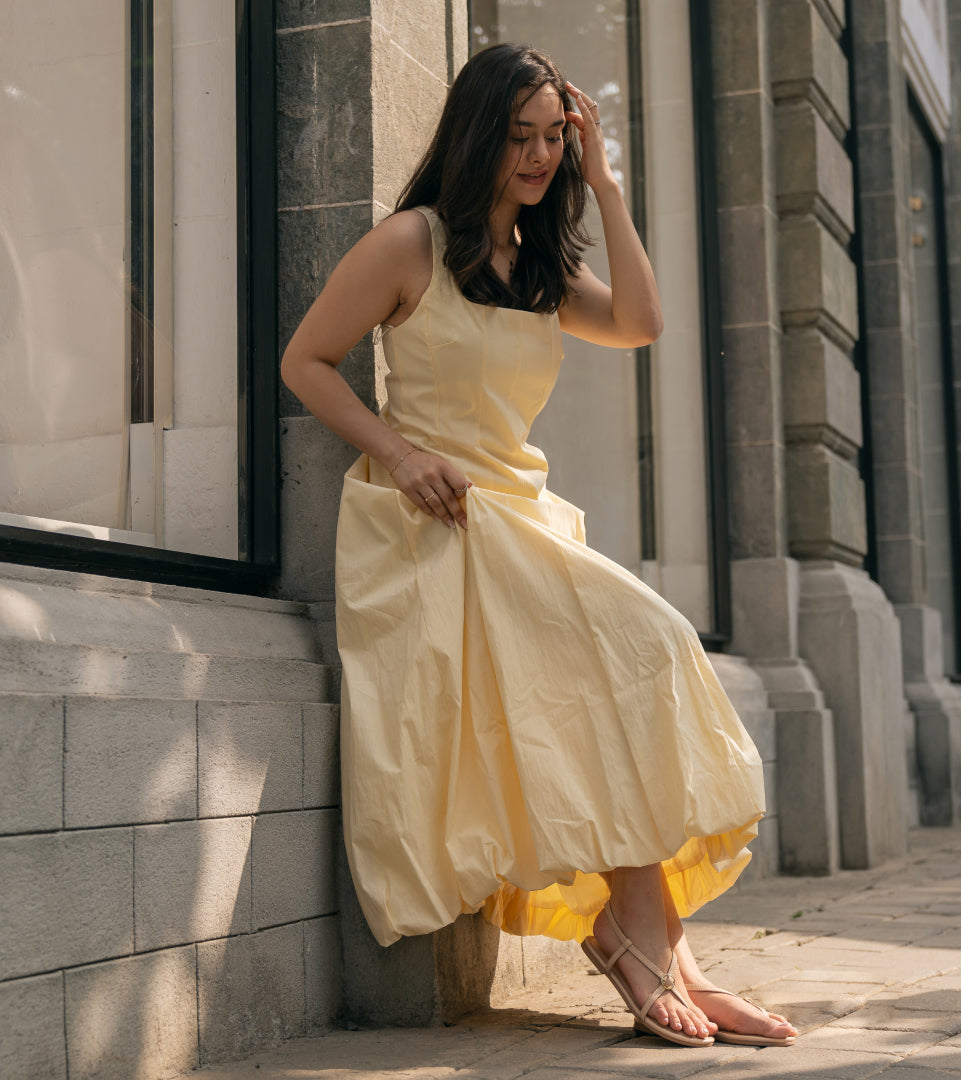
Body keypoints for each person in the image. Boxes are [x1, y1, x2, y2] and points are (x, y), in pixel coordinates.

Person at [281, 42, 797, 1050]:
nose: (537, 155)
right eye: (518, 137)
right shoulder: (410, 244)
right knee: (638, 641)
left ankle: (659, 945)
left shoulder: (542, 268)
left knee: (638, 654)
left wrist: (603, 182)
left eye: (552, 137)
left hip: (518, 513)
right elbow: (307, 361)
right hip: (429, 522)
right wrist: (400, 451)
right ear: (478, 136)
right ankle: (644, 940)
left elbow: (644, 323)